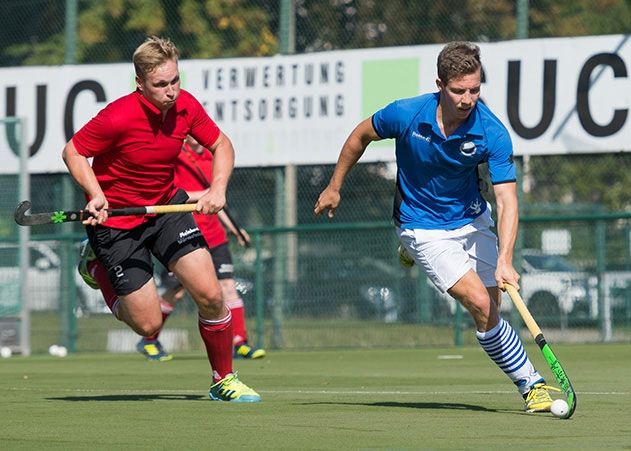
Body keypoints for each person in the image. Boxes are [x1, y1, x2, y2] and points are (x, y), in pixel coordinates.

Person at [314, 41, 558, 413]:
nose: (467, 99)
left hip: (473, 219)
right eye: (459, 90)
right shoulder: (407, 113)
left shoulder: (491, 131)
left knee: (491, 309)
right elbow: (359, 137)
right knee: (479, 304)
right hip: (421, 224)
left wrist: (506, 259)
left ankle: (411, 255)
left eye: (475, 89)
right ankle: (532, 384)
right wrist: (334, 187)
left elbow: (508, 200)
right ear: (440, 85)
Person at [62, 36, 260, 402]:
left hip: (166, 209)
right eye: (161, 85)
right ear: (140, 83)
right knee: (148, 324)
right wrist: (97, 194)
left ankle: (224, 379)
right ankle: (97, 266)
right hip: (117, 223)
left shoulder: (186, 106)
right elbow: (74, 151)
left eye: (175, 81)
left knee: (211, 294)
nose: (171, 91)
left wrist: (218, 189)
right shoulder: (118, 115)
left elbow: (222, 145)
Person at [77, 136, 266, 362]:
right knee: (174, 293)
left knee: (226, 287)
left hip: (215, 237)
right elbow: (166, 194)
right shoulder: (173, 155)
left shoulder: (208, 157)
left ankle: (240, 342)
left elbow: (216, 198)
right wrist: (201, 194)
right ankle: (150, 339)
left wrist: (235, 229)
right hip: (179, 231)